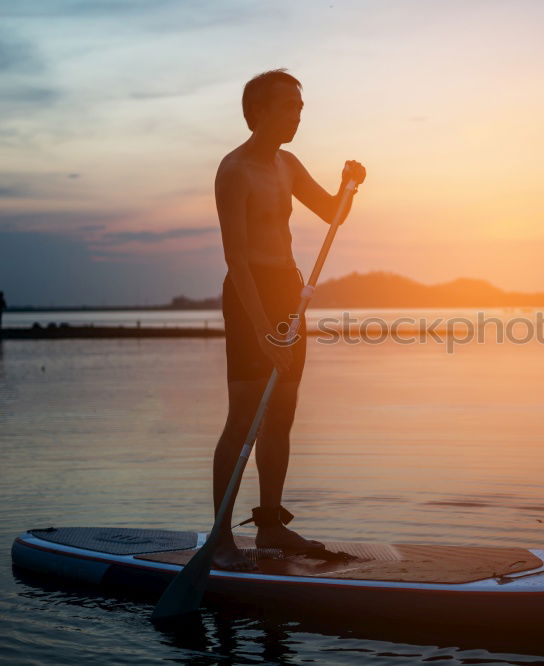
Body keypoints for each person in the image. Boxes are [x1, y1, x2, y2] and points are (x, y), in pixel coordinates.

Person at [212, 69, 365, 570]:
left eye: (301, 106)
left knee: (282, 414)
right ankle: (220, 539)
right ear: (257, 111)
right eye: (288, 106)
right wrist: (260, 331)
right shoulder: (234, 171)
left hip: (288, 294)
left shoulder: (288, 164)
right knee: (244, 418)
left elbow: (332, 215)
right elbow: (236, 259)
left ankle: (271, 525)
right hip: (249, 293)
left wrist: (349, 186)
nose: (298, 114)